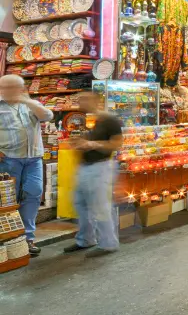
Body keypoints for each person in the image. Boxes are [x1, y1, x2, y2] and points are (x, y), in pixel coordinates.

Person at [0, 74, 53, 256]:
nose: (15, 91)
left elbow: (48, 116)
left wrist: (29, 102)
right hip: (8, 159)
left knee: (33, 193)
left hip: (33, 159)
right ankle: (9, 239)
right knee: (8, 199)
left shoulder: (30, 104)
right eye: (10, 87)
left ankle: (27, 238)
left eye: (19, 87)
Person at [63, 92, 122, 257]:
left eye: (85, 98)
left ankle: (108, 243)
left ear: (97, 101)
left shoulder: (109, 120)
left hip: (100, 168)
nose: (81, 102)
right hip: (85, 167)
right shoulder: (88, 120)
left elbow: (116, 143)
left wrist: (91, 144)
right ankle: (86, 239)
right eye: (79, 99)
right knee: (81, 204)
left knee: (100, 206)